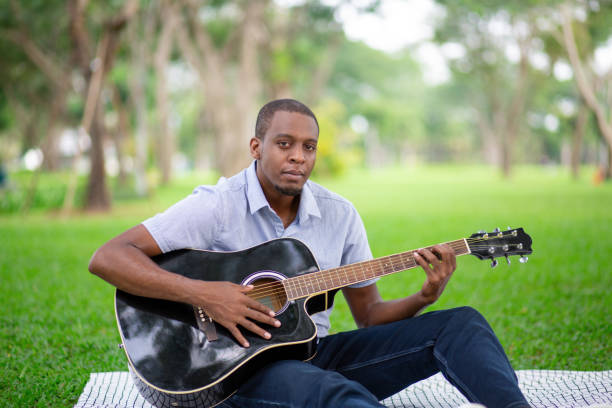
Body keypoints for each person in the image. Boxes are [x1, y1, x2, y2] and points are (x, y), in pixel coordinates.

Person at [89, 99, 530, 408]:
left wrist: (424, 297)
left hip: (313, 354)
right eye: (284, 144)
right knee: (338, 397)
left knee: (461, 324)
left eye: (309, 147)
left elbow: (370, 317)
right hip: (229, 372)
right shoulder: (217, 204)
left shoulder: (339, 215)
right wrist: (206, 294)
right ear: (256, 147)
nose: (298, 157)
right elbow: (108, 256)